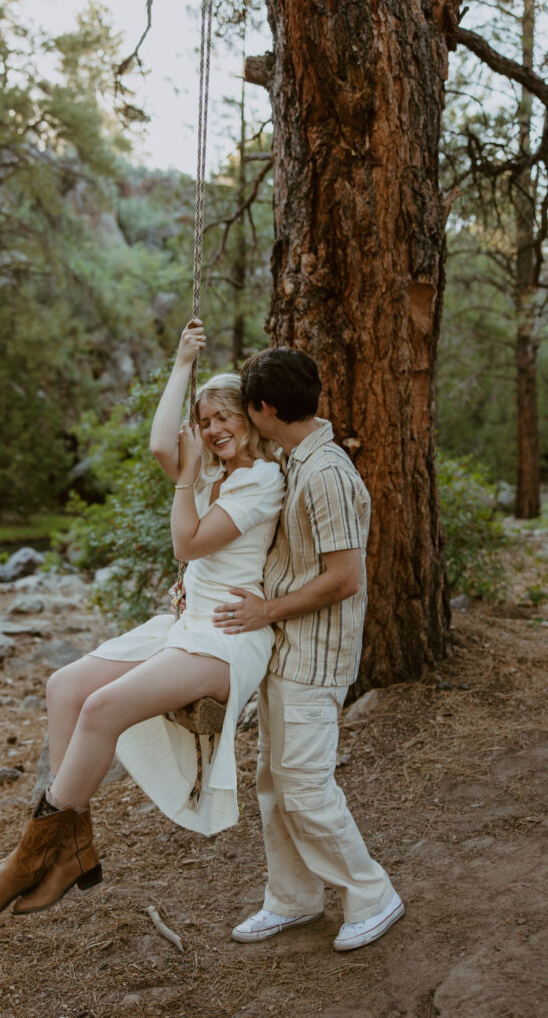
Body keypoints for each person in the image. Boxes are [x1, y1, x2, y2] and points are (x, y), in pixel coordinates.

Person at [0, 320, 285, 920]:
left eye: (224, 418)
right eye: (204, 421)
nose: (212, 431)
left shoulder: (261, 480)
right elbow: (161, 445)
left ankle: (27, 860)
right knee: (66, 687)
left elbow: (188, 545)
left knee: (102, 709)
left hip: (229, 636)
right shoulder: (211, 469)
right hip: (187, 626)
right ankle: (75, 847)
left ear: (250, 419)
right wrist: (182, 364)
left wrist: (186, 479)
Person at [212, 346, 404, 952]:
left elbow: (344, 577)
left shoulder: (326, 474)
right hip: (281, 651)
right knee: (274, 782)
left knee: (305, 787)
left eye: (248, 407)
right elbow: (283, 556)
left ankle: (372, 894)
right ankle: (292, 899)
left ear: (267, 409)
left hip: (314, 659)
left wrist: (264, 610)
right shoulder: (294, 461)